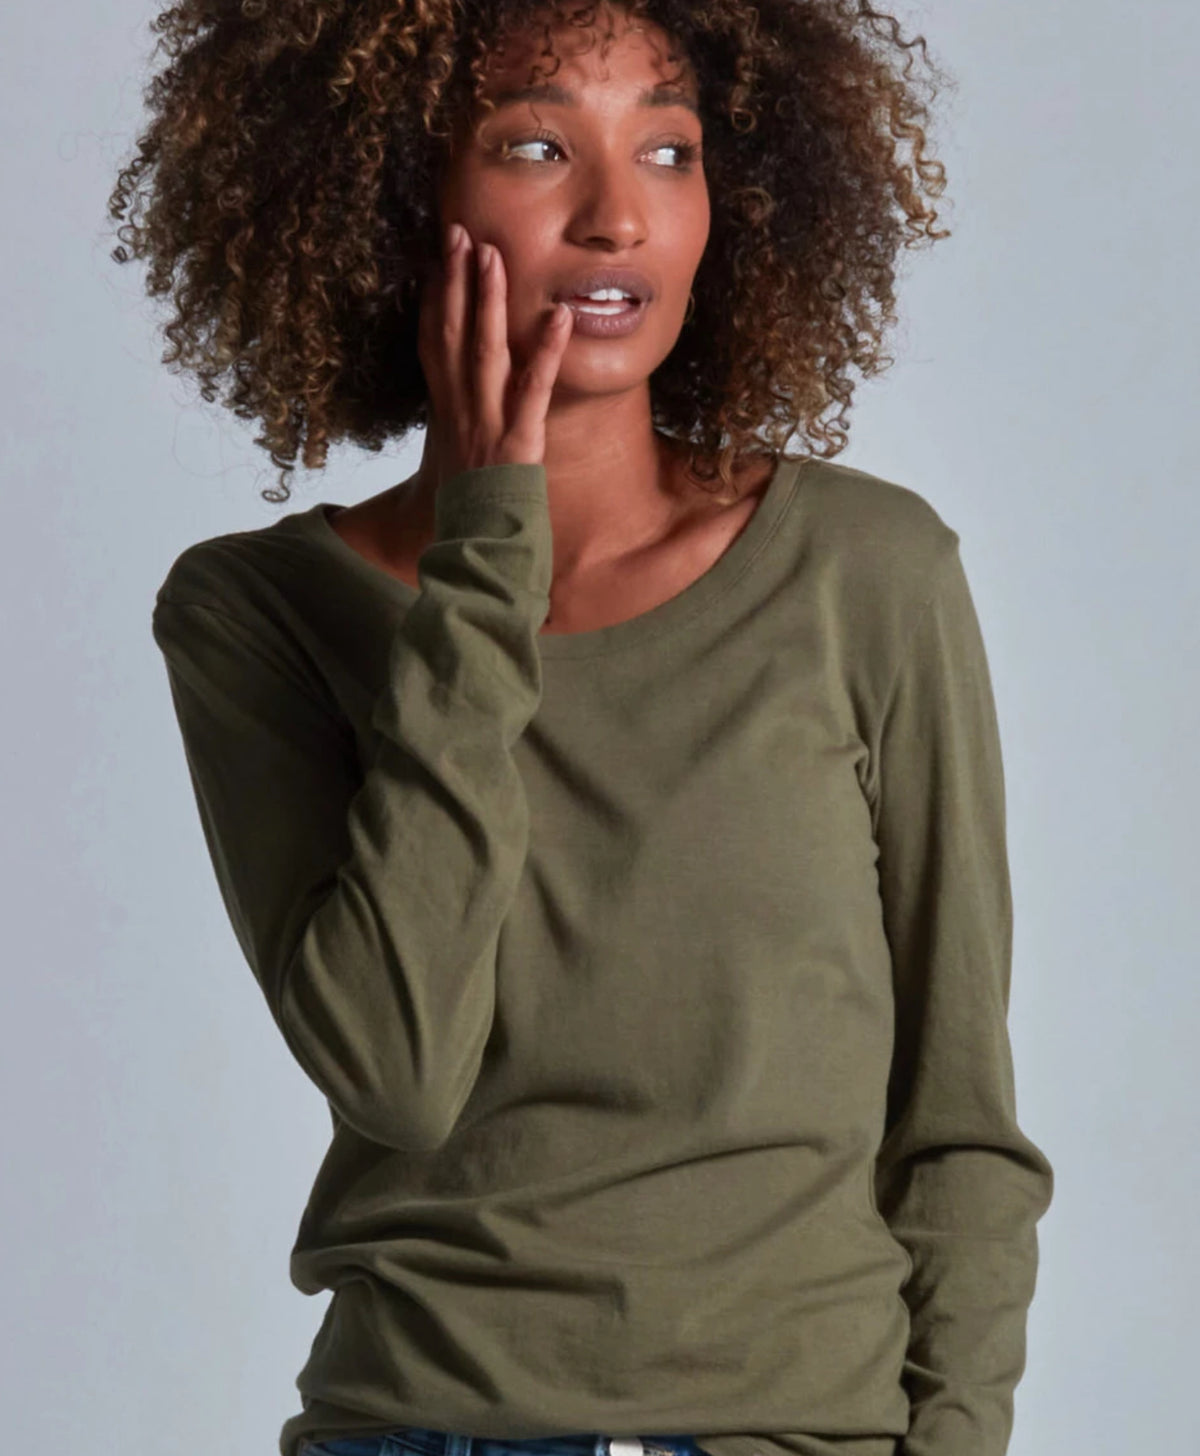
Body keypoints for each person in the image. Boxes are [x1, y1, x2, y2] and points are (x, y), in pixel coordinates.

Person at [110, 4, 1055, 1456]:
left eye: (668, 150)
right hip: (415, 1428)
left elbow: (960, 1127)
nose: (619, 217)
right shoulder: (259, 613)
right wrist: (491, 541)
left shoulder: (868, 576)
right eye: (539, 145)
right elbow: (398, 1070)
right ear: (389, 194)